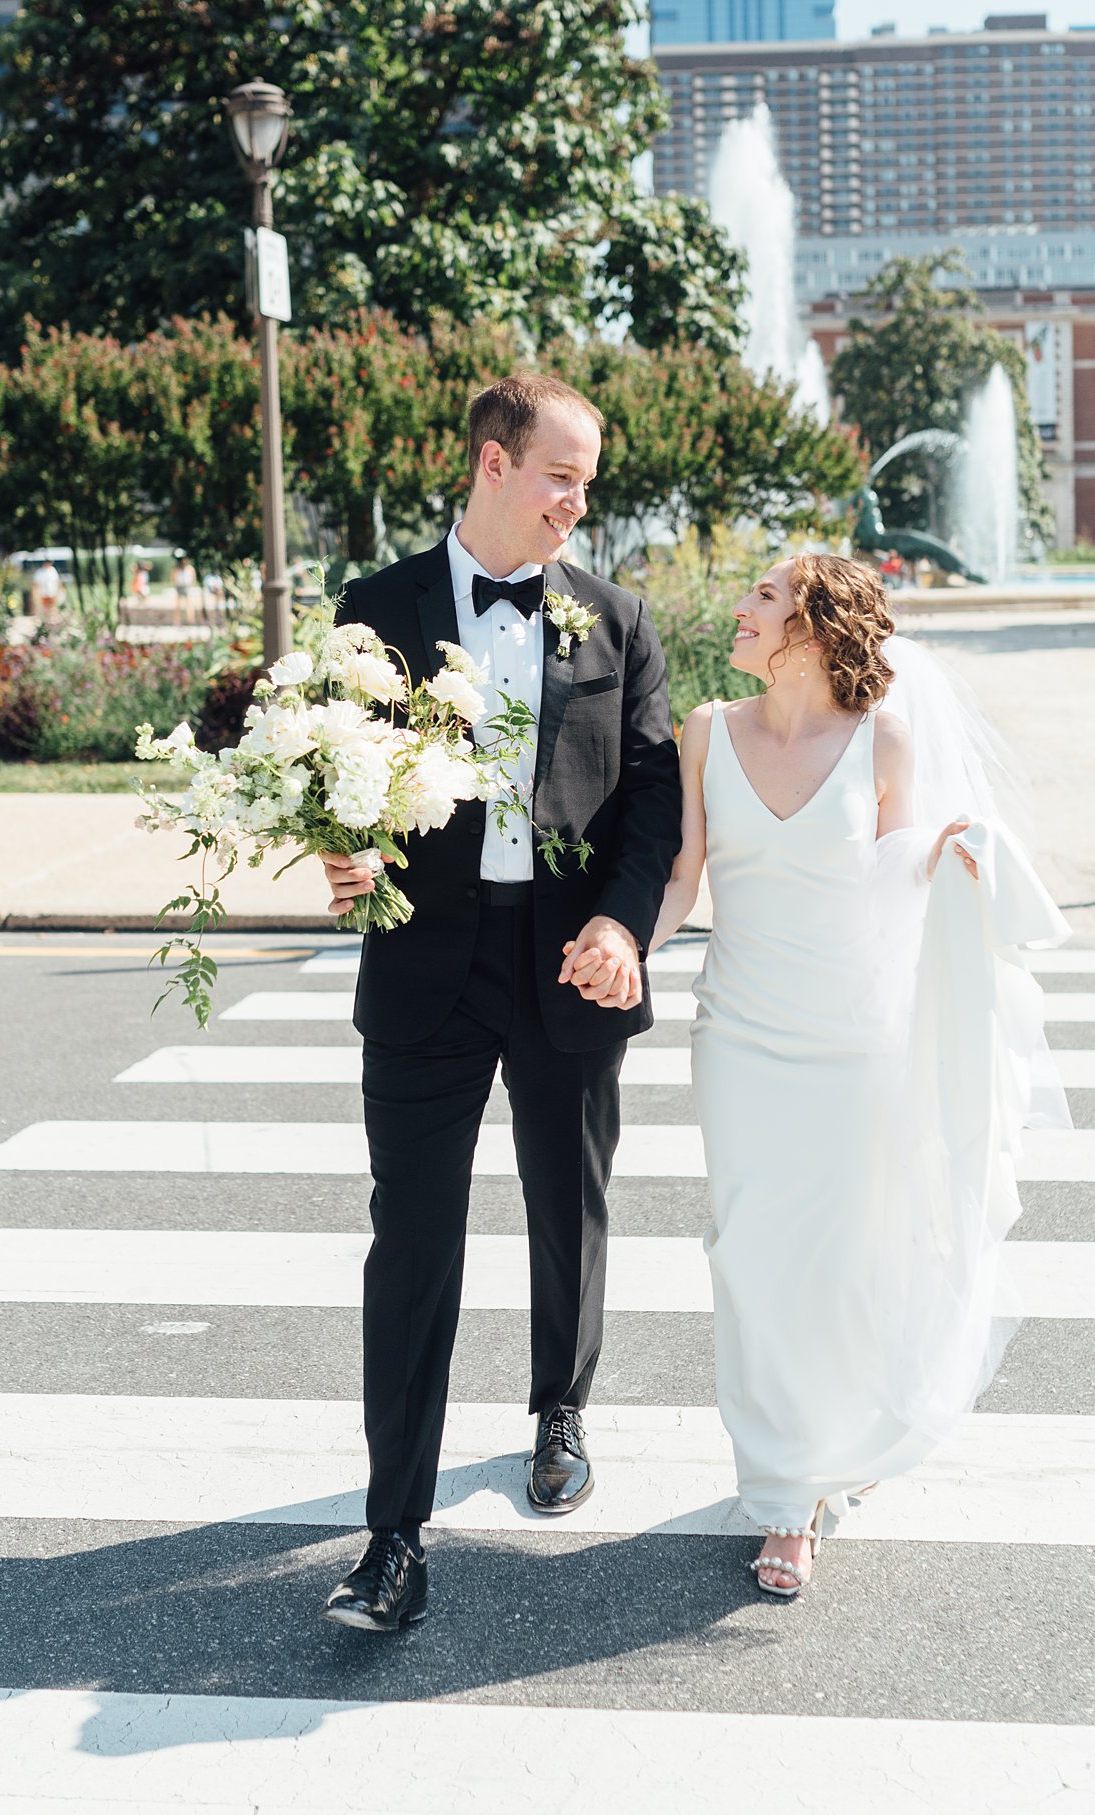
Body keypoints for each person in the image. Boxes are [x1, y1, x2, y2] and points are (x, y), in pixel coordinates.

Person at [315, 373, 683, 1635]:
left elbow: (649, 800)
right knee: (410, 1244)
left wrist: (621, 926)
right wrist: (342, 848)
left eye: (588, 482)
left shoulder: (617, 618)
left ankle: (557, 1408)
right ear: (491, 465)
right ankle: (393, 1537)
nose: (579, 503)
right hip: (424, 965)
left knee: (566, 1206)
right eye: (562, 477)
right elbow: (335, 770)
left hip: (564, 961)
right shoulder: (379, 612)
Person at [650, 553, 1068, 1598]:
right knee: (749, 1254)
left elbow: (898, 876)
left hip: (850, 1039)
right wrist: (623, 946)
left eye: (764, 599)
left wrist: (951, 854)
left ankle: (825, 1455)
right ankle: (784, 1492)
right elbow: (681, 875)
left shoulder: (883, 738)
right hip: (739, 1035)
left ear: (816, 628)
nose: (741, 610)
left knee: (837, 1262)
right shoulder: (707, 731)